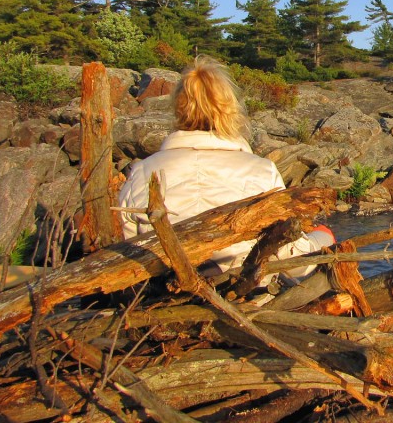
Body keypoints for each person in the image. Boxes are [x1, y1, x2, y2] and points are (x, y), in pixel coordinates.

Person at [117, 55, 334, 279]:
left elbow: (127, 251)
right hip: (244, 299)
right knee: (325, 238)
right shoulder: (261, 170)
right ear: (230, 109)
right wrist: (323, 237)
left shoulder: (143, 171)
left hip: (161, 298)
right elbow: (290, 259)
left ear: (178, 110)